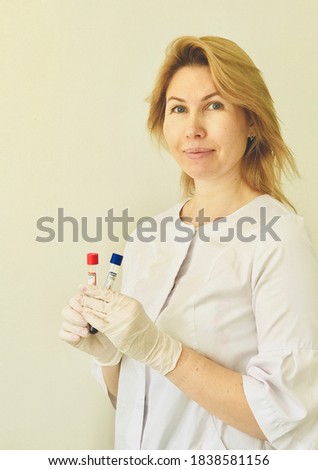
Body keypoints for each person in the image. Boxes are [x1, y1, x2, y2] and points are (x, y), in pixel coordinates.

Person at [59, 35, 318, 450]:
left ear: (252, 120)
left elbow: (283, 416)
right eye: (178, 109)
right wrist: (109, 352)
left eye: (214, 105)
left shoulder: (279, 237)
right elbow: (133, 401)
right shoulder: (148, 235)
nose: (193, 129)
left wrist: (164, 351)